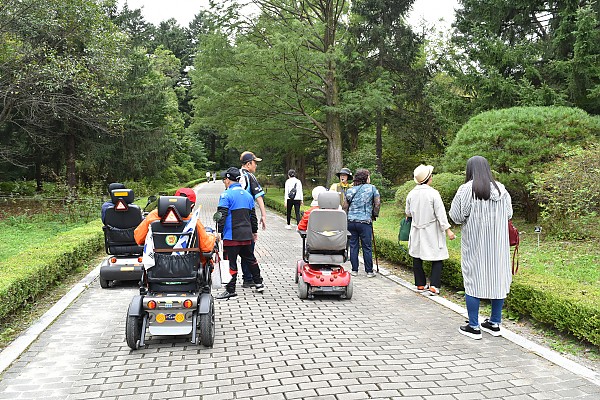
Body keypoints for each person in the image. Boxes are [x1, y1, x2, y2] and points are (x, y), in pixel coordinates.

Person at [449, 155, 513, 340]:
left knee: (472, 280)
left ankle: (474, 326)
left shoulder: (466, 189)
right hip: (498, 245)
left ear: (470, 170)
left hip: (475, 243)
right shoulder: (501, 189)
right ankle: (494, 323)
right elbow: (508, 214)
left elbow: (456, 216)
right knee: (498, 279)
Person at [405, 164, 456, 296]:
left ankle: (420, 284)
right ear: (429, 178)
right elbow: (441, 214)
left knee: (417, 256)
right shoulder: (433, 193)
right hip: (432, 229)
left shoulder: (411, 193)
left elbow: (408, 212)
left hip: (417, 229)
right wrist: (448, 230)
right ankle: (434, 285)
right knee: (437, 257)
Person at [215, 167, 264, 299]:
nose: (224, 182)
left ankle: (231, 290)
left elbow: (221, 215)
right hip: (246, 235)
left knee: (229, 262)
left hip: (232, 236)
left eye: (224, 179)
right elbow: (252, 216)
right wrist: (254, 231)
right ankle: (259, 283)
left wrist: (219, 232)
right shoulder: (248, 195)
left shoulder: (226, 195)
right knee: (250, 259)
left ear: (229, 180)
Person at [133, 188, 216, 263]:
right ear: (192, 205)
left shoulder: (153, 216)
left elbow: (138, 238)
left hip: (156, 266)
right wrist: (212, 236)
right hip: (188, 267)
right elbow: (206, 247)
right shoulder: (193, 221)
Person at [343, 169, 381, 277]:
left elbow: (345, 206)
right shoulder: (372, 188)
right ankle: (369, 271)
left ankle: (354, 270)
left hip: (351, 221)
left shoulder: (350, 190)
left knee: (354, 246)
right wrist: (374, 214)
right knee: (367, 246)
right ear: (366, 178)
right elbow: (377, 203)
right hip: (365, 221)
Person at [238, 150, 267, 288]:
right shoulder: (250, 176)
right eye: (255, 163)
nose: (256, 166)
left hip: (236, 218)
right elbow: (258, 197)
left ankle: (237, 278)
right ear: (249, 164)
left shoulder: (235, 175)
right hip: (248, 217)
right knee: (249, 248)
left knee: (239, 247)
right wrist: (264, 215)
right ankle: (248, 278)